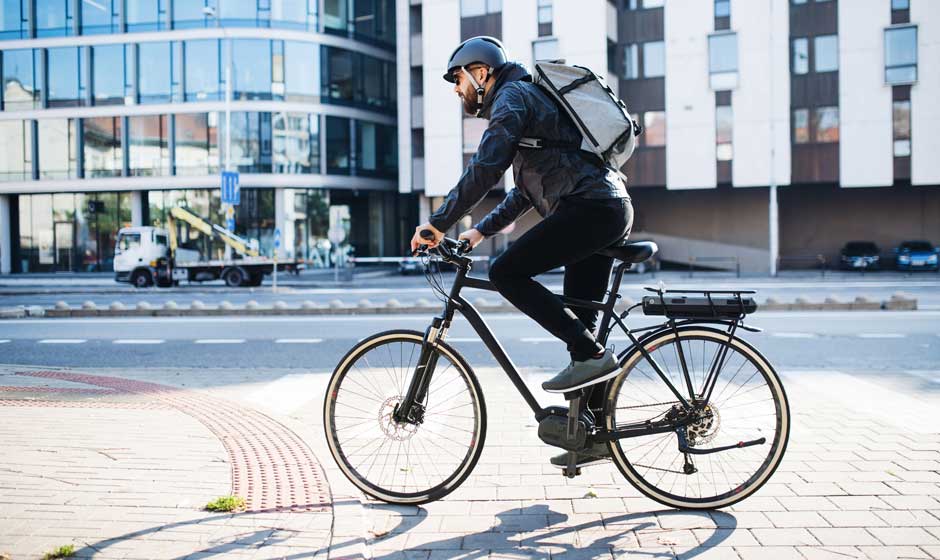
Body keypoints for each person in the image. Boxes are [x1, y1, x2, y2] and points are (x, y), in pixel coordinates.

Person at [409, 36, 634, 468]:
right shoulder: (527, 100)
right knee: (580, 326)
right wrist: (476, 232)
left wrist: (437, 222)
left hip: (591, 208)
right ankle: (592, 436)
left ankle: (592, 357)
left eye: (458, 79)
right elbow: (524, 193)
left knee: (506, 273)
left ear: (481, 72)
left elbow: (485, 166)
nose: (458, 90)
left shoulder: (512, 98)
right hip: (603, 207)